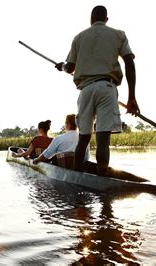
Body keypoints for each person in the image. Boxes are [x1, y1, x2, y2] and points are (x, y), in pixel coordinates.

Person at [55, 5, 139, 176]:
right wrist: (131, 97)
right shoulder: (118, 34)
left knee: (84, 138)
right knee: (102, 139)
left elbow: (69, 67)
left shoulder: (79, 37)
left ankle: (77, 179)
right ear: (106, 20)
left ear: (91, 19)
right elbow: (129, 63)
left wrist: (61, 66)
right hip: (107, 88)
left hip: (86, 90)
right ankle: (102, 183)